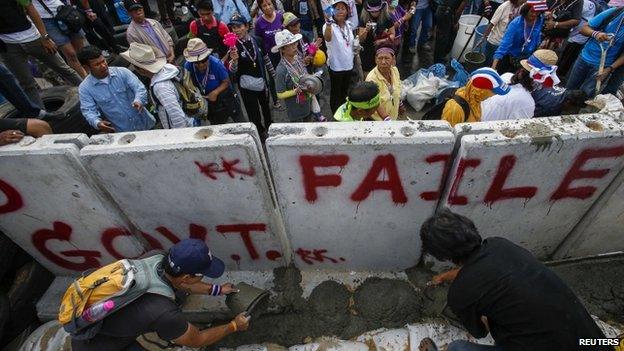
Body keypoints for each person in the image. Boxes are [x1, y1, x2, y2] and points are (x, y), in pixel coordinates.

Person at [419, 208, 612, 351]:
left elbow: (480, 332)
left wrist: (483, 311)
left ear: (442, 256)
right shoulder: (500, 245)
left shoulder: (460, 294)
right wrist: (447, 276)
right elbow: (479, 268)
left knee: (458, 348)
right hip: (594, 342)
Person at [70, 239, 251, 350]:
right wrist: (234, 325)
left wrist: (219, 290)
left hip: (104, 321)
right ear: (188, 277)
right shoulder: (164, 313)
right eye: (201, 274)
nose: (203, 276)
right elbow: (198, 340)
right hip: (100, 346)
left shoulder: (156, 257)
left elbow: (184, 284)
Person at [0, 0, 83, 109]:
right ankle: (43, 119)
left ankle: (91, 95)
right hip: (8, 46)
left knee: (64, 69)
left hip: (33, 38)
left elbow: (30, 9)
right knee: (27, 84)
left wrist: (45, 37)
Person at [77, 46, 156, 133]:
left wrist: (139, 100)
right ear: (86, 68)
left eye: (103, 61)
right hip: (124, 133)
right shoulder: (85, 88)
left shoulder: (122, 72)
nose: (103, 66)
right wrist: (97, 123)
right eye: (97, 64)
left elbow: (139, 88)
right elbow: (88, 110)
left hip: (147, 125)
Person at [122, 43, 197, 129]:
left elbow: (178, 118)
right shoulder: (168, 69)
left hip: (184, 128)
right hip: (189, 118)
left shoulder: (161, 87)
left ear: (141, 69)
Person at [228, 14, 273, 137]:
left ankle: (270, 127)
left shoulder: (257, 40)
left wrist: (273, 75)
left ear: (247, 26)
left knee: (266, 107)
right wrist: (235, 60)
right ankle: (260, 131)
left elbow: (266, 58)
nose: (236, 30)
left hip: (261, 81)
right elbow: (232, 70)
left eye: (239, 26)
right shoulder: (233, 46)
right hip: (246, 87)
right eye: (233, 28)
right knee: (253, 112)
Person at [566, 6, 624, 96]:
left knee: (585, 97)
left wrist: (609, 69)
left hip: (603, 66)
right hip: (584, 58)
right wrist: (596, 34)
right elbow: (583, 29)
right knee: (568, 90)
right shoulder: (614, 12)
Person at [184, 38, 239, 124]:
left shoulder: (216, 64)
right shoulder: (188, 66)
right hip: (204, 99)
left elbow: (226, 81)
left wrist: (215, 92)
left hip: (222, 99)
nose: (200, 65)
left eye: (203, 61)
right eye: (196, 62)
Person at [32, 0, 88, 78]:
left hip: (63, 10)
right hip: (44, 19)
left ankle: (92, 74)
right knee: (70, 54)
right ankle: (86, 79)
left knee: (81, 50)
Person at [442, 67, 510, 126]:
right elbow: (449, 137)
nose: (492, 96)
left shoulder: (475, 100)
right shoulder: (455, 109)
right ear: (480, 91)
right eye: (492, 93)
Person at [492, 0, 547, 73]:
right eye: (532, 12)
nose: (534, 15)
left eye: (537, 12)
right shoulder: (515, 24)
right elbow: (504, 45)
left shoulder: (539, 19)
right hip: (511, 58)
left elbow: (537, 37)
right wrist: (493, 69)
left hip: (528, 59)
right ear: (526, 11)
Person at [274, 29, 316, 121]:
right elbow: (280, 94)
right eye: (291, 45)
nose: (295, 47)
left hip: (306, 103)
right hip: (295, 111)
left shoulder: (297, 59)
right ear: (282, 49)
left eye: (295, 43)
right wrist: (295, 91)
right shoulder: (281, 70)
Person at [324, 0, 356, 113]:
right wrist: (328, 22)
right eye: (337, 8)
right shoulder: (329, 25)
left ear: (347, 11)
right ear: (333, 11)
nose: (340, 11)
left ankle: (343, 111)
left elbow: (351, 43)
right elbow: (327, 38)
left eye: (343, 8)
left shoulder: (349, 25)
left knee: (345, 91)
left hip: (349, 64)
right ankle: (335, 114)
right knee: (336, 92)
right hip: (336, 66)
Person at [255, 0, 285, 109]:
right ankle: (276, 100)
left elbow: (285, 32)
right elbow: (258, 40)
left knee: (285, 73)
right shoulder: (259, 23)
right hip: (269, 55)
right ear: (261, 8)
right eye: (264, 5)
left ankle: (287, 94)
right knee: (273, 77)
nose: (267, 7)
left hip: (283, 52)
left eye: (269, 4)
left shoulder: (280, 17)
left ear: (273, 5)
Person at [478, 0, 524, 66]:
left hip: (507, 45)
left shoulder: (521, 8)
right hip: (495, 43)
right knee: (487, 65)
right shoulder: (504, 7)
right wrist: (483, 38)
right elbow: (492, 23)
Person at [557, 0, 595, 76]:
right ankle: (560, 72)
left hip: (579, 33)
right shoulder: (590, 3)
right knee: (567, 56)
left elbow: (574, 18)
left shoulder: (582, 3)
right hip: (579, 32)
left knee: (567, 57)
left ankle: (560, 74)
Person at [358, 0, 395, 73]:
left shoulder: (387, 17)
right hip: (367, 49)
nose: (374, 13)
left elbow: (393, 35)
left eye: (376, 11)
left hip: (383, 48)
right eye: (372, 11)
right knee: (367, 71)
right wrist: (366, 30)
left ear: (381, 8)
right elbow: (361, 40)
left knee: (383, 70)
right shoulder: (363, 17)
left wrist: (381, 41)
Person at [365, 45, 401, 120]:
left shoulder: (395, 71)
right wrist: (387, 120)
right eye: (380, 58)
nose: (383, 62)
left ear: (393, 59)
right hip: (379, 121)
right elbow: (375, 103)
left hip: (393, 117)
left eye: (387, 58)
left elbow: (397, 90)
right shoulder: (371, 79)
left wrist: (400, 105)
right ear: (375, 60)